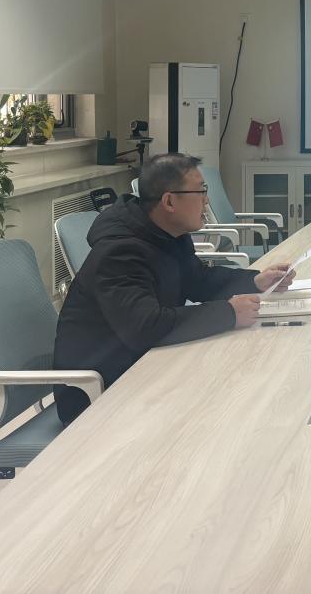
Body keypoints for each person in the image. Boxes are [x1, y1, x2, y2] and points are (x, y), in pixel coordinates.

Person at [52, 153, 295, 425]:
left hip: (141, 365)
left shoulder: (165, 233)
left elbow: (198, 280)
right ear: (169, 201)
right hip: (98, 393)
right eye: (200, 192)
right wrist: (229, 313)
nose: (206, 201)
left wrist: (255, 281)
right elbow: (146, 326)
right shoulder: (119, 253)